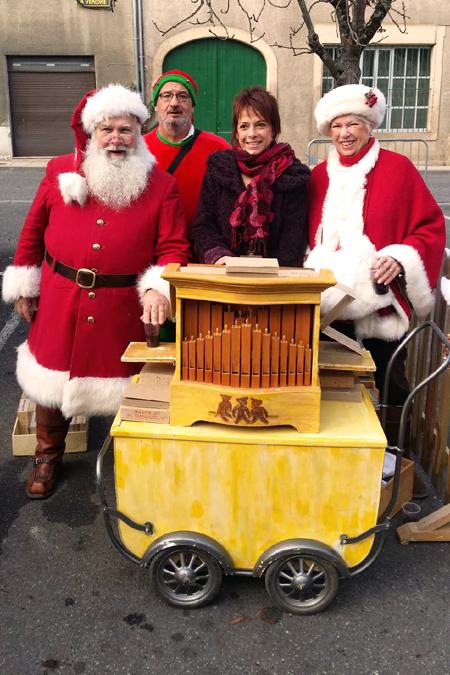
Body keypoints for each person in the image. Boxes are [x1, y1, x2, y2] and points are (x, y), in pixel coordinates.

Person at [2, 84, 189, 499]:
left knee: (128, 385)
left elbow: (174, 246)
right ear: (92, 133)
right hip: (60, 294)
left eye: (126, 130)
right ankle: (48, 455)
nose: (117, 139)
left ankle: (133, 460)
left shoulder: (161, 185)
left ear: (140, 131)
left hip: (121, 306)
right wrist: (25, 283)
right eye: (107, 130)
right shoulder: (58, 172)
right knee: (49, 380)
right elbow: (33, 232)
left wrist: (158, 287)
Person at [306, 84, 445, 411]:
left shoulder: (399, 170)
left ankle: (397, 456)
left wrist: (400, 258)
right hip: (326, 312)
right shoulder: (318, 177)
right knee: (330, 394)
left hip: (380, 309)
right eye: (337, 126)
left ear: (369, 125)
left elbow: (430, 227)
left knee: (390, 390)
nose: (344, 134)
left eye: (352, 123)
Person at [190, 86, 310, 266]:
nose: (252, 134)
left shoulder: (293, 175)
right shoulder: (219, 169)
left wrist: (263, 275)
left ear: (273, 129)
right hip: (223, 278)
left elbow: (294, 239)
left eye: (260, 125)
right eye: (244, 126)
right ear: (237, 133)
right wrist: (218, 255)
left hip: (275, 282)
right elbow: (203, 224)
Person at [144, 69, 229, 231]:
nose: (174, 103)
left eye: (183, 96)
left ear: (193, 106)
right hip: (154, 251)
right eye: (166, 95)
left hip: (205, 250)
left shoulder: (219, 149)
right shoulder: (138, 149)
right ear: (156, 105)